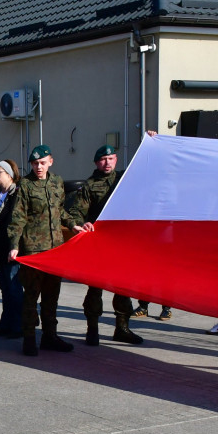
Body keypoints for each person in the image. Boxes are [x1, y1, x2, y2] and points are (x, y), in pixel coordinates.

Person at [67, 145, 143, 346]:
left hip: (122, 244)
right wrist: (82, 223)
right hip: (99, 244)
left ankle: (122, 328)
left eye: (111, 158)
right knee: (95, 289)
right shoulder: (90, 186)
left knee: (123, 287)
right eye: (103, 159)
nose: (107, 163)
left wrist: (150, 141)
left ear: (116, 159)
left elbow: (145, 166)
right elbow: (75, 211)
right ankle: (92, 329)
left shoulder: (124, 180)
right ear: (96, 162)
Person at [7, 145, 74, 356]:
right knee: (31, 297)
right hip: (34, 252)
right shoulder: (25, 185)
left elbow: (60, 210)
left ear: (50, 162)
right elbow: (18, 217)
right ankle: (29, 338)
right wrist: (14, 245)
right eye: (35, 163)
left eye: (42, 163)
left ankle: (49, 336)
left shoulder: (57, 182)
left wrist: (73, 224)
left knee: (52, 296)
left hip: (55, 250)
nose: (38, 167)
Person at [0, 159, 24, 338]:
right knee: (5, 289)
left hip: (9, 250)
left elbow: (14, 223)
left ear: (9, 174)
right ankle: (5, 324)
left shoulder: (16, 194)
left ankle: (18, 325)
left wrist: (7, 247)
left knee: (14, 289)